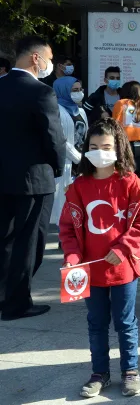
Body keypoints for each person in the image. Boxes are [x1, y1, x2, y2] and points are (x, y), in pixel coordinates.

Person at [58, 118, 140, 398]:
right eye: (93, 146)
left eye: (106, 146)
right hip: (90, 270)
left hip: (123, 268)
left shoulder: (131, 183)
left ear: (118, 148)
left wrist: (124, 247)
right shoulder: (79, 186)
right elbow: (67, 227)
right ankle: (99, 372)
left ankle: (131, 371)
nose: (99, 151)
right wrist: (73, 256)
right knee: (96, 322)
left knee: (125, 322)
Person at [0, 37, 65, 320]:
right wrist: (58, 168)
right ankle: (17, 303)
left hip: (3, 178)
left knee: (5, 240)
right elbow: (53, 137)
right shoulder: (41, 92)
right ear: (35, 59)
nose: (51, 63)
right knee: (30, 243)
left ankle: (4, 298)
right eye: (49, 57)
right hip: (34, 180)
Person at [51, 77, 89, 225]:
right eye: (74, 90)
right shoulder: (56, 110)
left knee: (80, 201)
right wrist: (78, 158)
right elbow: (60, 140)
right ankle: (65, 237)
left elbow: (85, 136)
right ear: (63, 90)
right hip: (67, 162)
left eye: (80, 90)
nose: (79, 93)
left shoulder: (81, 111)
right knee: (64, 201)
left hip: (82, 163)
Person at [112, 81, 140, 178]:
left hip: (124, 145)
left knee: (122, 176)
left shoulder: (120, 104)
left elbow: (114, 125)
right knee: (136, 178)